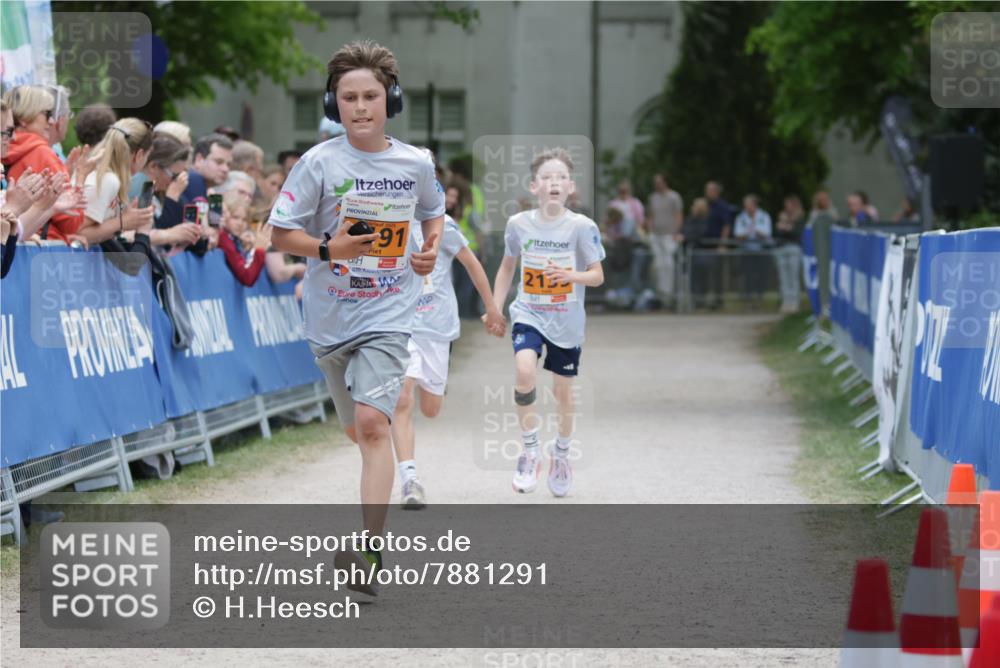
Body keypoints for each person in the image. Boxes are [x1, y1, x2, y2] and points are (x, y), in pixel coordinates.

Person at [269, 40, 444, 595]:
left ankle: (369, 551)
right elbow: (278, 235)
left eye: (371, 95)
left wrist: (429, 249)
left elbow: (434, 212)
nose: (361, 107)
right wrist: (327, 251)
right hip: (330, 318)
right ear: (333, 103)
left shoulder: (415, 163)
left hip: (390, 311)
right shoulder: (318, 163)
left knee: (375, 424)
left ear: (390, 98)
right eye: (349, 97)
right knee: (355, 429)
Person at [489, 148, 605, 497]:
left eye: (560, 178)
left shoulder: (582, 227)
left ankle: (562, 454)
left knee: (562, 393)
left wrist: (570, 275)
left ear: (570, 187)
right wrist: (496, 308)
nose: (554, 183)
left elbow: (597, 276)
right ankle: (529, 451)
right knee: (524, 371)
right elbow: (508, 266)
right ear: (534, 186)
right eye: (547, 178)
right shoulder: (519, 224)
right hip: (529, 312)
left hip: (566, 321)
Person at [391, 206, 504, 508]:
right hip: (402, 326)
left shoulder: (444, 225)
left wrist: (492, 307)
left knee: (431, 409)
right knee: (403, 397)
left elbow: (471, 264)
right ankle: (410, 480)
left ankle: (431, 389)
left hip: (437, 328)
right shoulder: (386, 219)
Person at [2, 86, 81, 243]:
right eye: (47, 114)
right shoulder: (43, 153)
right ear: (25, 118)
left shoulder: (7, 150)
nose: (52, 121)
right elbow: (72, 223)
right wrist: (80, 180)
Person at [76, 118, 157, 245]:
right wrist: (122, 221)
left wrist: (128, 218)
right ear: (139, 155)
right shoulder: (108, 180)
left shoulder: (105, 174)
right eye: (147, 155)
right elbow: (76, 233)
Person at [445, 175, 482, 318]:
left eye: (455, 196)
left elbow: (477, 231)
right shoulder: (436, 212)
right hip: (453, 254)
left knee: (464, 286)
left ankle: (461, 315)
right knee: (457, 284)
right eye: (449, 195)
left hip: (465, 251)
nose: (451, 200)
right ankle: (459, 315)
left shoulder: (465, 211)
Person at [644, 173, 683, 307]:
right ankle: (661, 293)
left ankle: (669, 294)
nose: (657, 184)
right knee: (658, 264)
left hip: (669, 235)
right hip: (656, 235)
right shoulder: (653, 197)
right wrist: (649, 232)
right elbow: (650, 216)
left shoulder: (674, 197)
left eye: (659, 182)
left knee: (669, 264)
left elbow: (678, 215)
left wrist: (676, 232)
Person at [217, 192, 267, 286]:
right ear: (225, 216)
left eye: (244, 220)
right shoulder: (223, 238)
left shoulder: (234, 239)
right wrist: (259, 250)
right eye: (235, 217)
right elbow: (247, 277)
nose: (240, 223)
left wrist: (247, 249)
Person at [733, 194, 773, 306]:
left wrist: (755, 230)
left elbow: (767, 234)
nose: (746, 207)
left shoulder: (764, 216)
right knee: (747, 274)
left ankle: (759, 295)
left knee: (761, 274)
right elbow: (737, 234)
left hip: (761, 250)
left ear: (754, 205)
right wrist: (748, 233)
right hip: (746, 250)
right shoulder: (741, 217)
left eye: (749, 205)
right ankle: (748, 297)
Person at [773, 195, 806, 314]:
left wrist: (786, 229)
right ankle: (786, 301)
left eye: (789, 204)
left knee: (793, 277)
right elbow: (777, 232)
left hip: (793, 248)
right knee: (783, 277)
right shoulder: (783, 216)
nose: (787, 207)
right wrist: (785, 228)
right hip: (781, 248)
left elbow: (796, 233)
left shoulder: (799, 218)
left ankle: (794, 302)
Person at [181, 133, 233, 205]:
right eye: (219, 162)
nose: (225, 169)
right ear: (199, 159)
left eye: (228, 164)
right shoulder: (194, 180)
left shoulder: (207, 189)